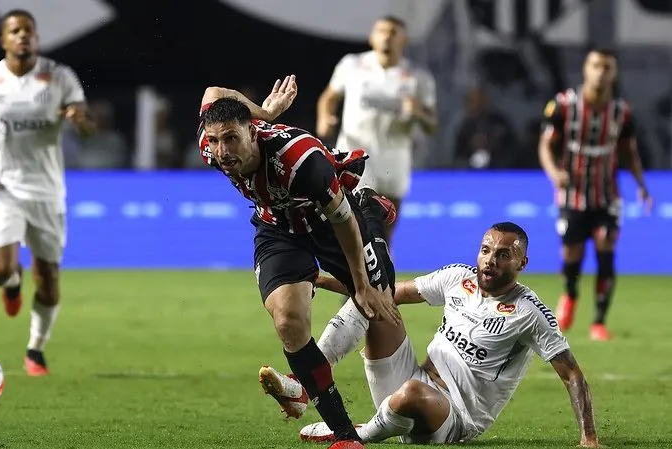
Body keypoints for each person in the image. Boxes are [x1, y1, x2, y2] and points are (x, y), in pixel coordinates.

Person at [261, 223, 600, 447]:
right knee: (376, 299)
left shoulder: (529, 312)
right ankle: (304, 386)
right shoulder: (458, 278)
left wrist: (589, 438)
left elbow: (572, 373)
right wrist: (320, 279)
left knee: (412, 392)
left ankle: (354, 433)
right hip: (411, 378)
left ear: (521, 263)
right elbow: (390, 292)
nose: (489, 261)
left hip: (453, 416)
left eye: (503, 255)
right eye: (485, 250)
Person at [199, 76, 401, 449]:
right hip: (277, 225)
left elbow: (341, 220)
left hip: (330, 221)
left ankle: (371, 209)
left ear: (252, 133)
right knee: (288, 323)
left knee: (379, 301)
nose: (221, 150)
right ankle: (345, 436)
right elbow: (213, 92)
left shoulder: (300, 160)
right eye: (214, 140)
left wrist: (359, 285)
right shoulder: (210, 145)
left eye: (230, 138)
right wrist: (266, 111)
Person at [0, 9, 94, 376]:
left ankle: (35, 349)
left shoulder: (60, 77)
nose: (23, 36)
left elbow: (87, 124)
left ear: (36, 37)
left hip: (47, 193)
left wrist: (80, 120)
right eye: (15, 31)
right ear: (3, 40)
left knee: (48, 280)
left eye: (29, 31)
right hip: (4, 189)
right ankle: (12, 282)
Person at [538, 48, 652, 341]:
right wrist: (554, 174)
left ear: (614, 73)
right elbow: (545, 145)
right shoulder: (565, 105)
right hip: (572, 193)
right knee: (571, 252)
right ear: (585, 70)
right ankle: (570, 295)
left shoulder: (621, 111)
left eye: (607, 67)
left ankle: (599, 321)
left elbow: (630, 152)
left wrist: (641, 186)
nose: (600, 72)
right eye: (595, 65)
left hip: (607, 194)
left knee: (605, 244)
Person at [317, 15, 437, 244]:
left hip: (395, 158)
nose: (387, 37)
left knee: (385, 231)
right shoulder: (352, 64)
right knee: (349, 225)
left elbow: (432, 125)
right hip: (355, 156)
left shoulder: (418, 78)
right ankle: (351, 276)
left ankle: (382, 277)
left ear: (404, 40)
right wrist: (325, 117)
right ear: (372, 37)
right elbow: (329, 97)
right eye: (382, 31)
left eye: (394, 32)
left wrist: (420, 112)